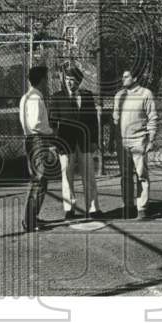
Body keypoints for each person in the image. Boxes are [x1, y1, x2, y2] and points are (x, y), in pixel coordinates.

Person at [50, 65, 101, 220]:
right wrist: (56, 143)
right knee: (67, 176)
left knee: (89, 175)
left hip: (84, 142)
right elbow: (52, 122)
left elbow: (93, 121)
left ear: (79, 81)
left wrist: (94, 141)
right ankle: (69, 209)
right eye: (67, 80)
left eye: (73, 80)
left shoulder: (87, 96)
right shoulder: (57, 97)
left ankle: (93, 209)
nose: (69, 83)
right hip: (65, 143)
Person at [112, 67, 158, 220]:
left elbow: (152, 117)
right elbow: (115, 119)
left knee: (141, 175)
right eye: (122, 76)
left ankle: (142, 209)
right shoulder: (119, 95)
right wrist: (113, 140)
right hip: (122, 143)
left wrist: (151, 139)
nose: (123, 79)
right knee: (125, 176)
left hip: (139, 141)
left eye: (126, 76)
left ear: (135, 78)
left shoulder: (146, 94)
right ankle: (128, 206)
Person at [18, 65, 55, 233]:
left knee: (39, 180)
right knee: (39, 181)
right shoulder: (35, 98)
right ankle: (30, 221)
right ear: (41, 80)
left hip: (32, 140)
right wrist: (51, 131)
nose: (47, 82)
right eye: (46, 79)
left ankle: (32, 217)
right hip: (37, 139)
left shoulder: (29, 96)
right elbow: (35, 124)